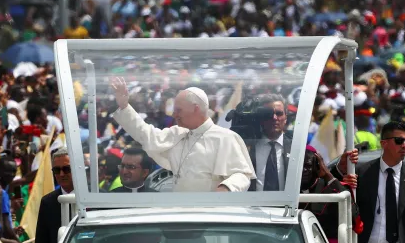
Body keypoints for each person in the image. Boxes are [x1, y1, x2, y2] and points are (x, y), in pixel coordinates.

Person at [110, 78, 255, 192]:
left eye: (178, 110)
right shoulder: (177, 134)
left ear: (195, 109)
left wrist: (227, 187)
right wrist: (124, 107)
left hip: (211, 214)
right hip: (179, 211)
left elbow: (242, 175)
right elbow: (146, 134)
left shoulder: (226, 138)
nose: (174, 114)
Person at [34, 148, 73, 243]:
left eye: (67, 169)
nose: (61, 174)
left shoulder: (93, 199)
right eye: (57, 170)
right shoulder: (48, 202)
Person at [248, 94, 292, 192]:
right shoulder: (248, 147)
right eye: (268, 114)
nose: (274, 118)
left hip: (285, 206)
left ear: (286, 118)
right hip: (251, 206)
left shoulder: (295, 148)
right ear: (261, 118)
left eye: (279, 113)